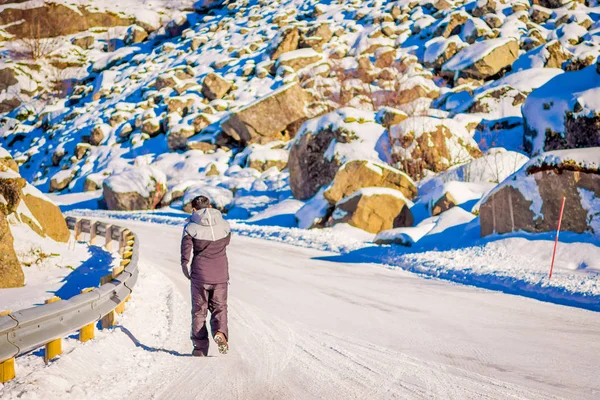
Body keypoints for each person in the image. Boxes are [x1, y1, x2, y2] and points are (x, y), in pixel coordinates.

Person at [180, 195, 232, 356]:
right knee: (219, 308)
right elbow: (226, 242)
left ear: (194, 210)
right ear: (210, 207)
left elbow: (185, 253)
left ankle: (200, 348)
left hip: (200, 276)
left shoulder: (190, 227)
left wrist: (185, 268)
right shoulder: (224, 224)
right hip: (221, 275)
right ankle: (220, 333)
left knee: (199, 311)